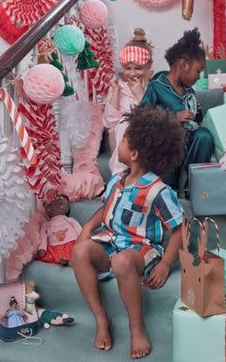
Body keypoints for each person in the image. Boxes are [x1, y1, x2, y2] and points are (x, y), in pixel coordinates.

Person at [72, 106, 184, 359]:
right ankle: (102, 319)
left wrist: (166, 263)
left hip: (140, 249)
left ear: (133, 153)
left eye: (122, 140)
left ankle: (137, 327)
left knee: (123, 261)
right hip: (111, 242)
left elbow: (179, 229)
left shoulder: (157, 190)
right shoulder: (118, 179)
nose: (118, 144)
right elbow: (106, 208)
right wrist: (89, 227)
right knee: (80, 252)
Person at [140, 27, 214, 191]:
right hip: (167, 144)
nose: (198, 77)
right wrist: (173, 118)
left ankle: (194, 186)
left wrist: (197, 113)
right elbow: (141, 117)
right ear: (184, 65)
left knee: (204, 136)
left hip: (190, 141)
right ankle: (169, 189)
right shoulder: (156, 87)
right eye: (198, 71)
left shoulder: (189, 91)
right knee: (175, 138)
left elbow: (196, 122)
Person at [103, 28, 154, 174]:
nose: (132, 74)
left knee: (134, 125)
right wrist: (116, 91)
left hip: (145, 138)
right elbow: (109, 122)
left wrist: (139, 94)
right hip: (121, 141)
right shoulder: (120, 87)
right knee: (125, 124)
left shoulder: (152, 88)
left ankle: (137, 178)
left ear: (148, 67)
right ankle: (120, 176)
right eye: (127, 68)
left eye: (138, 69)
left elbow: (152, 118)